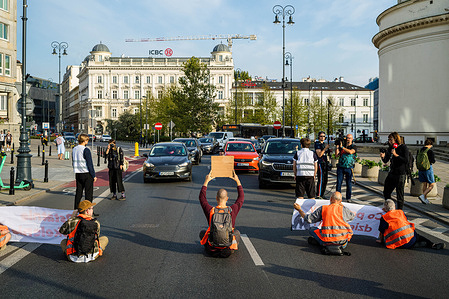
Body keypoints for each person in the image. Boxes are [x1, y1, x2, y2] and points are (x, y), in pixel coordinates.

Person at [199, 171, 244, 258]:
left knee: (202, 233)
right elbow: (241, 198)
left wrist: (206, 181)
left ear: (216, 198)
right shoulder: (232, 210)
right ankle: (231, 249)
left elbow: (202, 198)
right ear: (227, 198)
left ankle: (211, 249)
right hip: (227, 247)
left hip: (213, 247)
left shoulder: (210, 210)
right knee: (237, 232)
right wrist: (237, 181)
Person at [377, 199, 445, 250]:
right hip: (411, 237)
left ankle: (424, 244)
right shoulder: (400, 212)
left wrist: (381, 241)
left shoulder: (384, 218)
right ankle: (433, 244)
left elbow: (382, 231)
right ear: (394, 206)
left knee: (415, 244)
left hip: (397, 243)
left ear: (385, 209)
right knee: (417, 236)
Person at [380, 132, 409, 210]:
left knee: (399, 195)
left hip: (400, 174)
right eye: (388, 139)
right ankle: (389, 207)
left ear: (396, 139)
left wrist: (396, 155)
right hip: (392, 173)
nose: (389, 141)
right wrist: (383, 157)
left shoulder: (403, 147)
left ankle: (400, 211)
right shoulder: (390, 148)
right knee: (386, 192)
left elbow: (406, 160)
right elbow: (386, 160)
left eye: (391, 139)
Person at [72, 133, 98, 213]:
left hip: (78, 173)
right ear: (85, 141)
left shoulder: (74, 149)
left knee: (78, 192)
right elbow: (89, 164)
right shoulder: (85, 150)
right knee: (88, 193)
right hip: (86, 173)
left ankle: (76, 210)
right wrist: (93, 175)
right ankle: (89, 211)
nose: (87, 141)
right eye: (87, 140)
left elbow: (73, 161)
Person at [335, 134, 357, 202]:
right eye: (347, 138)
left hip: (349, 167)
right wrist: (337, 147)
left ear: (352, 139)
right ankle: (337, 198)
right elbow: (336, 155)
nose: (348, 139)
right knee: (339, 183)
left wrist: (342, 147)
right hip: (341, 167)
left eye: (349, 138)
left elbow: (351, 152)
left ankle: (348, 198)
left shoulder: (354, 146)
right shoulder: (342, 146)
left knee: (349, 183)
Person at [417, 139, 436, 204]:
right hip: (428, 169)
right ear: (430, 144)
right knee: (432, 184)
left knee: (424, 184)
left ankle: (425, 199)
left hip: (421, 169)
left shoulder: (419, 150)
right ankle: (422, 196)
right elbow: (432, 161)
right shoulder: (429, 151)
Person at [315, 131, 330, 199]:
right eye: (321, 136)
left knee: (325, 179)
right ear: (318, 137)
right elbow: (319, 154)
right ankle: (318, 194)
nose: (322, 137)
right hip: (320, 163)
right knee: (321, 179)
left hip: (325, 163)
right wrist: (325, 148)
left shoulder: (323, 144)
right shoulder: (317, 144)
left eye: (324, 136)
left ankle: (322, 193)